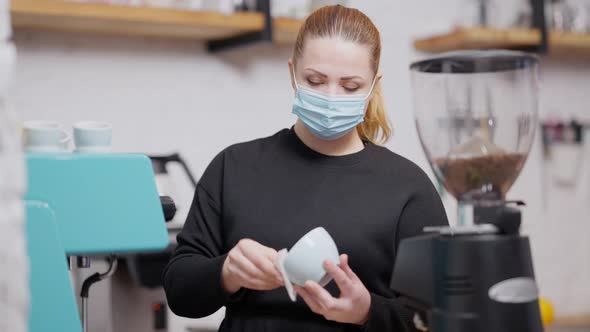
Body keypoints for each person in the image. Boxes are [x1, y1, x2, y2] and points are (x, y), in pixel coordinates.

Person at [163, 5, 448, 332]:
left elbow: (439, 317)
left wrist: (368, 310)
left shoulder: (408, 189)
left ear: (373, 86)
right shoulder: (234, 168)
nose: (330, 96)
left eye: (350, 86)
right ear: (292, 73)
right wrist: (227, 271)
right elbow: (179, 291)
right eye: (315, 80)